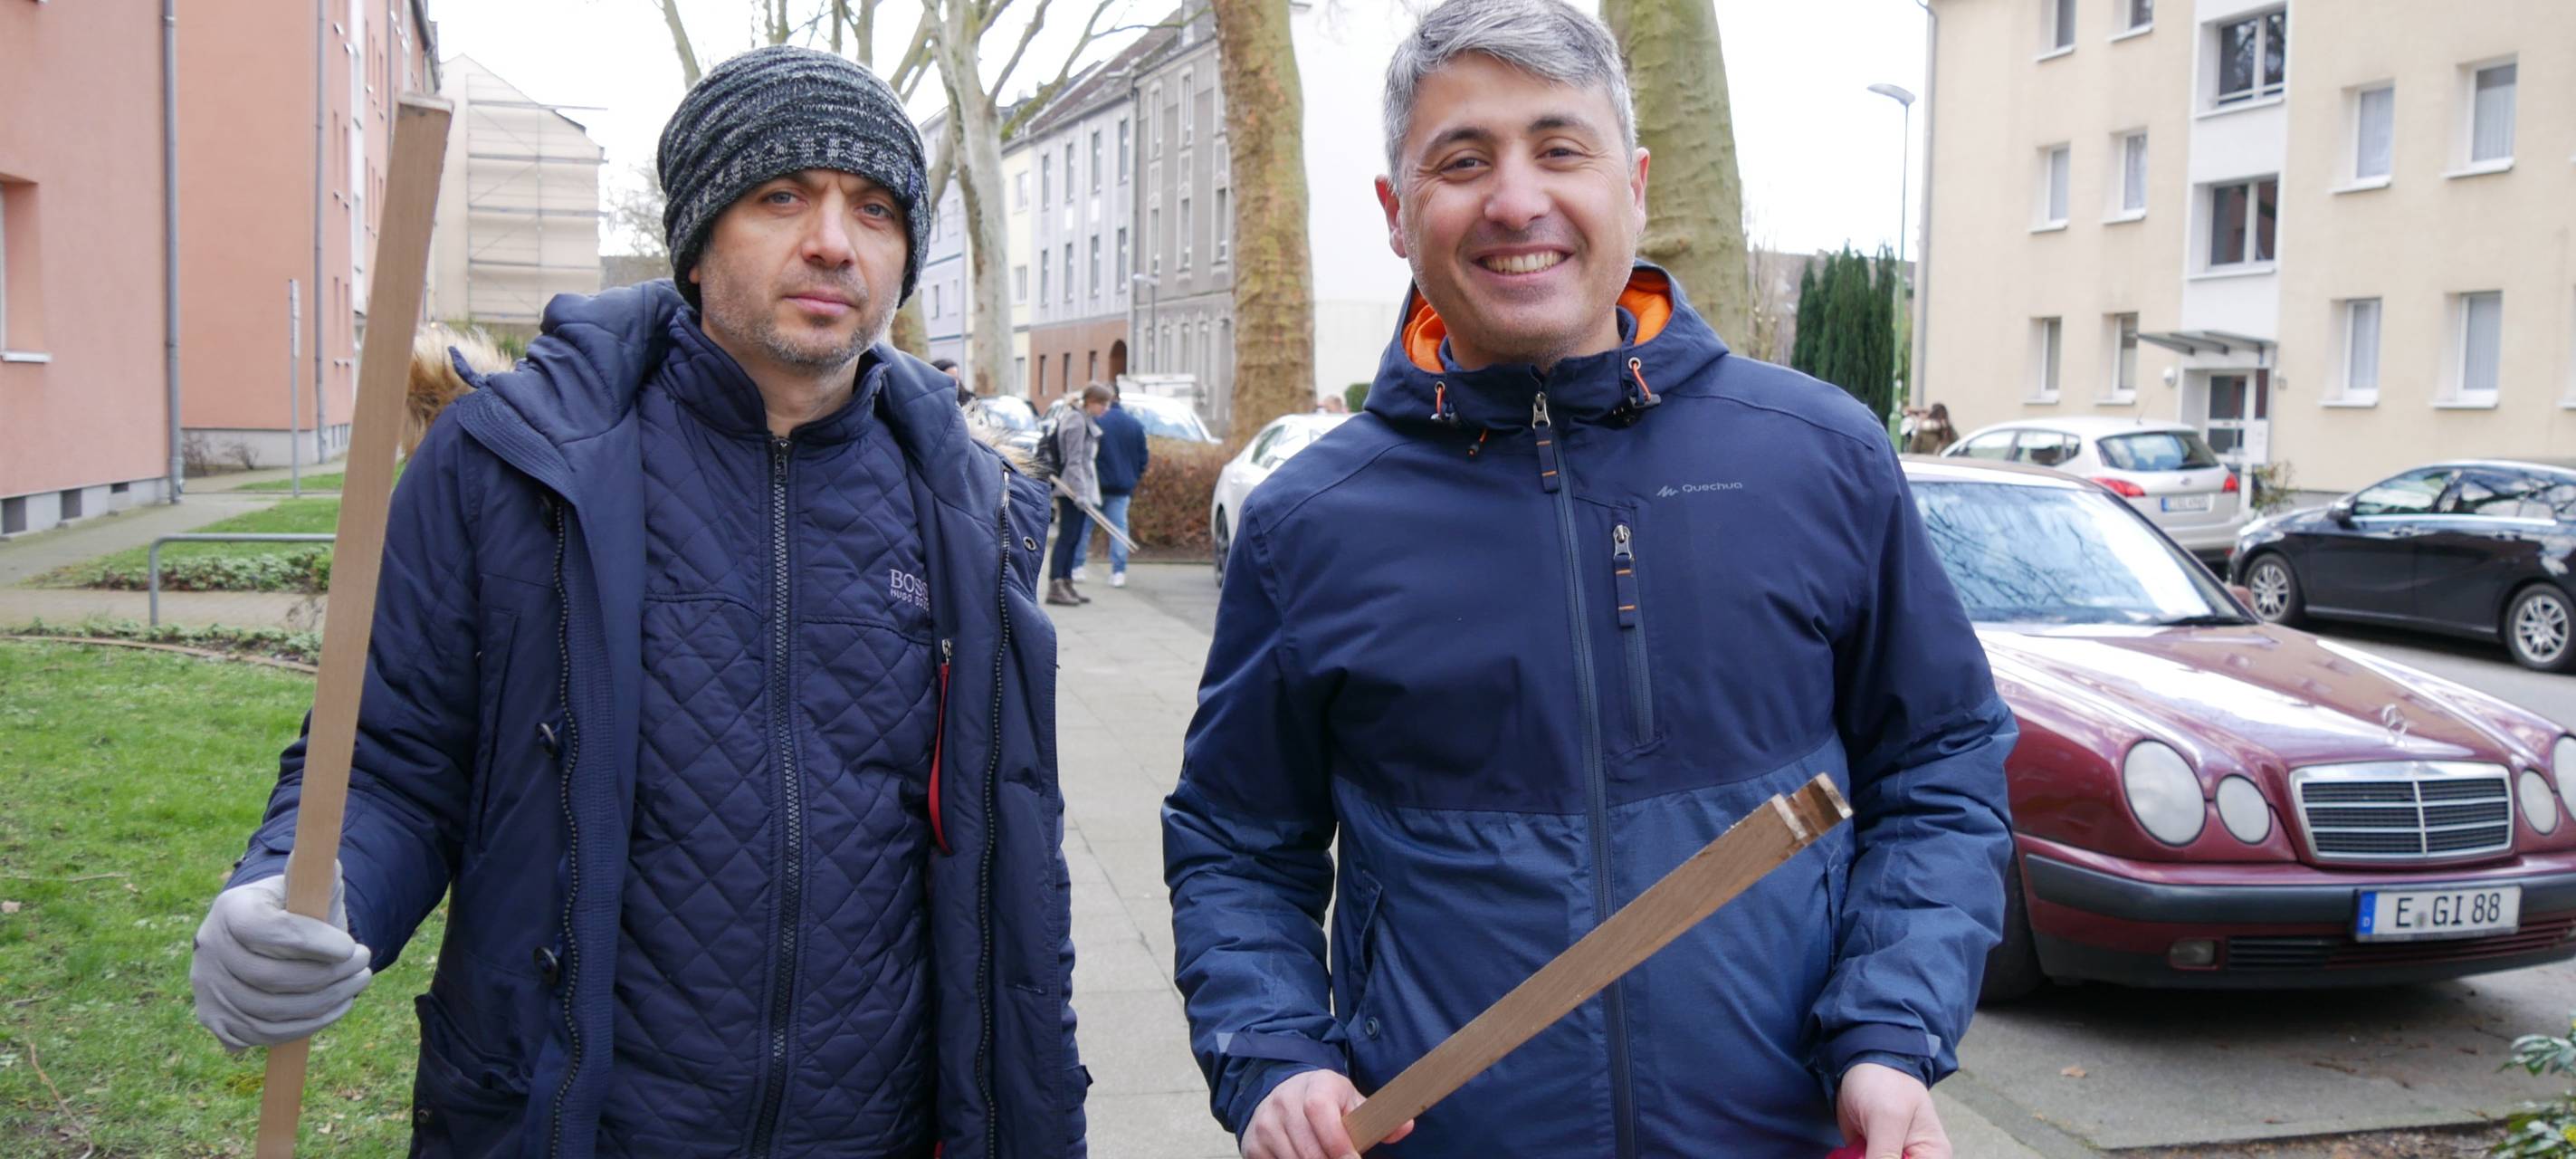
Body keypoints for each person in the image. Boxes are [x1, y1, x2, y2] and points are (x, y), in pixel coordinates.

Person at [187, 45, 1086, 1157]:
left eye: (875, 209)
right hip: (579, 1123)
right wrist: (302, 894)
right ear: (698, 243)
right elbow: (391, 765)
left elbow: (1012, 863)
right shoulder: (513, 467)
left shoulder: (970, 511)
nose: (832, 241)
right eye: (781, 196)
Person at [1161, 3, 2014, 1158]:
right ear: (1394, 213)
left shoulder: (1816, 454)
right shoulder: (1309, 522)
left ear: (1635, 184)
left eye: (1560, 149)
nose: (1516, 201)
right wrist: (1273, 1053)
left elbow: (1938, 761)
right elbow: (1235, 838)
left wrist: (1889, 1030)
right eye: (1462, 162)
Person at [1043, 382, 1111, 607]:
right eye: (1103, 404)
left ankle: (1067, 581)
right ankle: (1056, 585)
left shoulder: (1084, 419)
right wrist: (1081, 494)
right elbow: (1073, 461)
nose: (1106, 409)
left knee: (1074, 538)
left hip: (1079, 488)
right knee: (1068, 537)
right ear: (1091, 401)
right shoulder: (1076, 420)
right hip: (1071, 489)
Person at [1075, 381, 1150, 589]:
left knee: (1084, 529)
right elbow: (1143, 458)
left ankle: (1077, 567)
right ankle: (1118, 572)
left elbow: (1086, 455)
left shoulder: (1096, 421)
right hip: (1122, 487)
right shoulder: (1134, 424)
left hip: (1096, 486)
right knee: (1119, 530)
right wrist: (1133, 478)